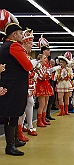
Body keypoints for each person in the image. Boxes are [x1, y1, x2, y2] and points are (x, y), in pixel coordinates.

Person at [0, 22, 33, 156]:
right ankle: (10, 145)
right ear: (14, 34)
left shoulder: (4, 47)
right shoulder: (14, 46)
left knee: (12, 114)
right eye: (20, 33)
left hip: (8, 84)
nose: (22, 36)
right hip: (14, 87)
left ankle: (14, 140)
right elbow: (28, 66)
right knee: (12, 115)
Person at [17, 28, 37, 142]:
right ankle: (25, 127)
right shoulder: (22, 54)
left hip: (27, 83)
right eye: (29, 43)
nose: (31, 46)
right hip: (21, 84)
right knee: (25, 105)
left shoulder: (27, 55)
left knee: (27, 104)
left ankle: (25, 126)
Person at [35, 54, 54, 127]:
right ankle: (39, 120)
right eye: (44, 58)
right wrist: (47, 74)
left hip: (46, 85)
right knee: (42, 104)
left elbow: (48, 76)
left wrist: (47, 74)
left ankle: (43, 119)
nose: (46, 59)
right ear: (40, 59)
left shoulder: (45, 67)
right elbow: (41, 77)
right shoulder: (38, 67)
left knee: (46, 104)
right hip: (41, 86)